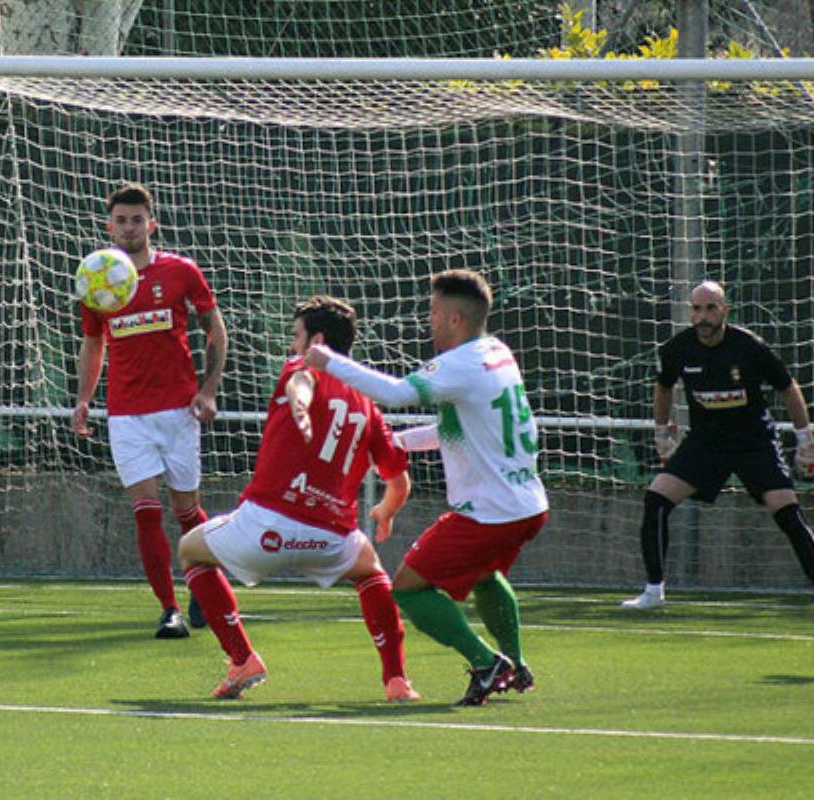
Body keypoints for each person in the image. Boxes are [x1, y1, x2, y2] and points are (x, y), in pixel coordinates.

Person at [304, 270, 549, 706]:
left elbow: (397, 394)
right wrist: (397, 443)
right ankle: (515, 663)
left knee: (408, 589)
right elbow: (456, 427)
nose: (429, 322)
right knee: (485, 575)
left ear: (456, 319)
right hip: (527, 504)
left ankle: (488, 663)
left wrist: (328, 360)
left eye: (434, 313)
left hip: (487, 512)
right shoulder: (497, 352)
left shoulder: (459, 363)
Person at [178, 295, 418, 702]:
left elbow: (300, 380)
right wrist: (385, 513)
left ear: (317, 341)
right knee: (371, 572)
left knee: (190, 550)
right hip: (330, 539)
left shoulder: (304, 364)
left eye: (296, 337)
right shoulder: (368, 404)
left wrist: (302, 405)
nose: (292, 347)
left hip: (266, 529)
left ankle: (241, 659)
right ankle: (397, 681)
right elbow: (400, 483)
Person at [621, 280, 814, 617]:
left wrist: (805, 439)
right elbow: (663, 386)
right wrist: (661, 431)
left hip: (753, 441)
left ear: (724, 310)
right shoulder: (676, 349)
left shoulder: (749, 346)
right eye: (697, 309)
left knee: (786, 511)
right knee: (655, 499)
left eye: (711, 308)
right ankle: (654, 590)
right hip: (706, 442)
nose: (703, 316)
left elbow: (788, 387)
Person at [73, 183, 227, 638]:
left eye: (137, 219)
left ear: (150, 225)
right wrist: (84, 399)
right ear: (109, 226)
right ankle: (169, 608)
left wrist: (209, 389)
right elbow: (93, 343)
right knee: (144, 509)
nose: (128, 227)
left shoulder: (180, 272)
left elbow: (214, 328)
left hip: (178, 411)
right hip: (125, 414)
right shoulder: (96, 279)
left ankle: (206, 584)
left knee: (186, 511)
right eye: (121, 220)